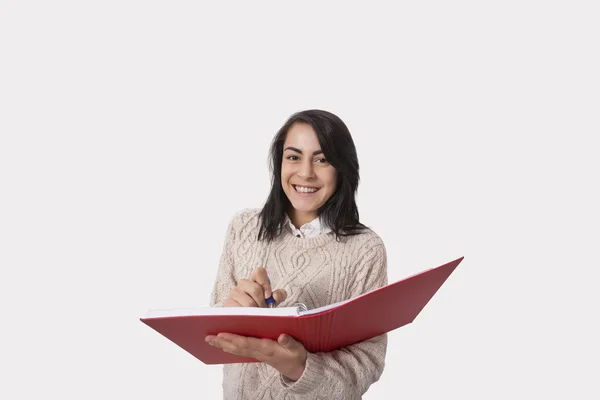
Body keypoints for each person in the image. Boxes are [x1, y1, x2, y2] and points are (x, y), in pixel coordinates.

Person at [206, 109, 388, 399]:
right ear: (279, 163)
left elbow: (366, 363)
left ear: (342, 167)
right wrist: (232, 313)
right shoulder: (243, 228)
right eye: (293, 157)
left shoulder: (366, 249)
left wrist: (299, 367)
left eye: (322, 159)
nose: (305, 173)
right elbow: (210, 337)